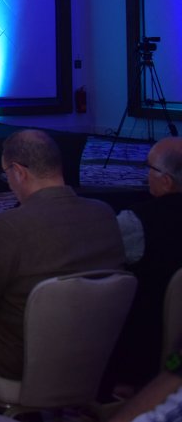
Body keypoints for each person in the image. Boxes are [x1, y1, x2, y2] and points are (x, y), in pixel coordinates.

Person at [0, 129, 124, 380]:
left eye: (6, 174)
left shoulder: (10, 226)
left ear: (18, 172)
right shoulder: (105, 215)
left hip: (20, 355)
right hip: (94, 348)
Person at [108, 137, 182, 390]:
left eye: (149, 168)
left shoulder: (136, 222)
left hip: (144, 349)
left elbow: (96, 258)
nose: (145, 175)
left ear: (167, 181)